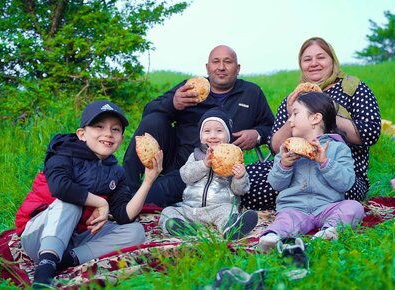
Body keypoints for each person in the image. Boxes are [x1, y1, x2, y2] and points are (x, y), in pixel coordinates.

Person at [14, 100, 163, 288]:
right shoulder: (62, 153)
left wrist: (149, 180)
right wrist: (101, 203)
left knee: (136, 231)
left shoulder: (115, 172)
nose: (108, 133)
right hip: (41, 234)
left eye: (115, 129)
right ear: (82, 134)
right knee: (71, 203)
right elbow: (61, 188)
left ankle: (68, 260)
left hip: (76, 238)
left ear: (121, 139)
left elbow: (124, 215)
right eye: (99, 126)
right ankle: (44, 272)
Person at [123, 45, 275, 208]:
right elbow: (149, 111)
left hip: (216, 172)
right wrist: (173, 103)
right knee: (154, 120)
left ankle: (141, 200)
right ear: (207, 67)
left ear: (237, 68)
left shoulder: (251, 93)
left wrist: (257, 134)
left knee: (152, 195)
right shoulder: (191, 88)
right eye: (216, 62)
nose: (221, 67)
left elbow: (272, 128)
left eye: (228, 62)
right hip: (177, 159)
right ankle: (125, 188)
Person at [243, 37, 381, 210]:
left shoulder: (353, 88)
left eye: (321, 57)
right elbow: (275, 146)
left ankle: (308, 207)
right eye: (307, 59)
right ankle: (218, 204)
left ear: (333, 60)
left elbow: (370, 134)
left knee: (336, 189)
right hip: (297, 168)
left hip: (338, 169)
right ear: (301, 65)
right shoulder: (294, 98)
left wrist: (328, 109)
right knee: (247, 178)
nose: (314, 63)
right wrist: (291, 114)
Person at [258, 92, 365, 252]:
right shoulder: (286, 149)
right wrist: (284, 165)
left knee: (354, 207)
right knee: (286, 220)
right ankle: (272, 238)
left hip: (328, 206)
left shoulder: (338, 148)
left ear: (315, 118)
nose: (290, 121)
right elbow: (276, 184)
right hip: (294, 207)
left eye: (295, 114)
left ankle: (328, 232)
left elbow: (346, 183)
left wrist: (325, 162)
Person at [159, 108, 258, 240]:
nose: (213, 135)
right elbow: (185, 176)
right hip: (191, 209)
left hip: (217, 208)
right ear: (201, 137)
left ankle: (232, 228)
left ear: (228, 136)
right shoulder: (195, 156)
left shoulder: (233, 159)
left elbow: (240, 191)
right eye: (207, 131)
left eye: (219, 131)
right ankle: (179, 226)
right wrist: (204, 164)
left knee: (229, 211)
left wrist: (239, 177)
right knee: (168, 212)